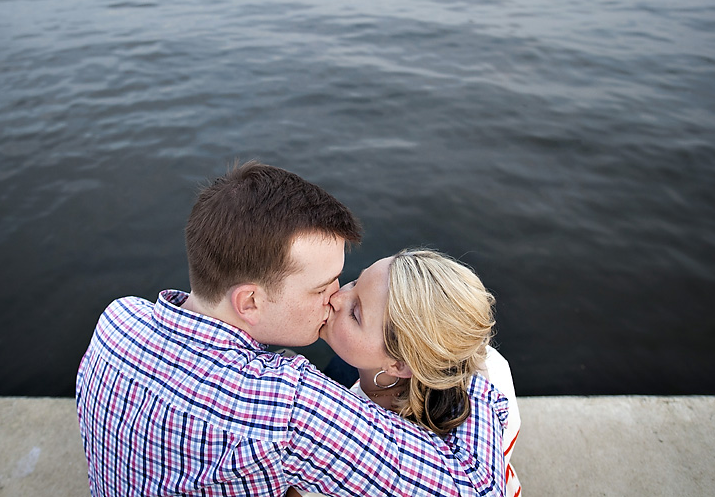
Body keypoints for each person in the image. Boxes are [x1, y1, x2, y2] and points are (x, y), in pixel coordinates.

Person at [76, 162, 509, 496]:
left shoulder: (118, 318)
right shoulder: (287, 408)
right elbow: (472, 488)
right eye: (321, 288)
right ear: (250, 302)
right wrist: (464, 366)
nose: (336, 297)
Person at [292, 249, 521, 497]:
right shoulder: (486, 362)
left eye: (355, 314)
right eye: (356, 281)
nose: (337, 298)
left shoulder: (383, 451)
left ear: (400, 365)